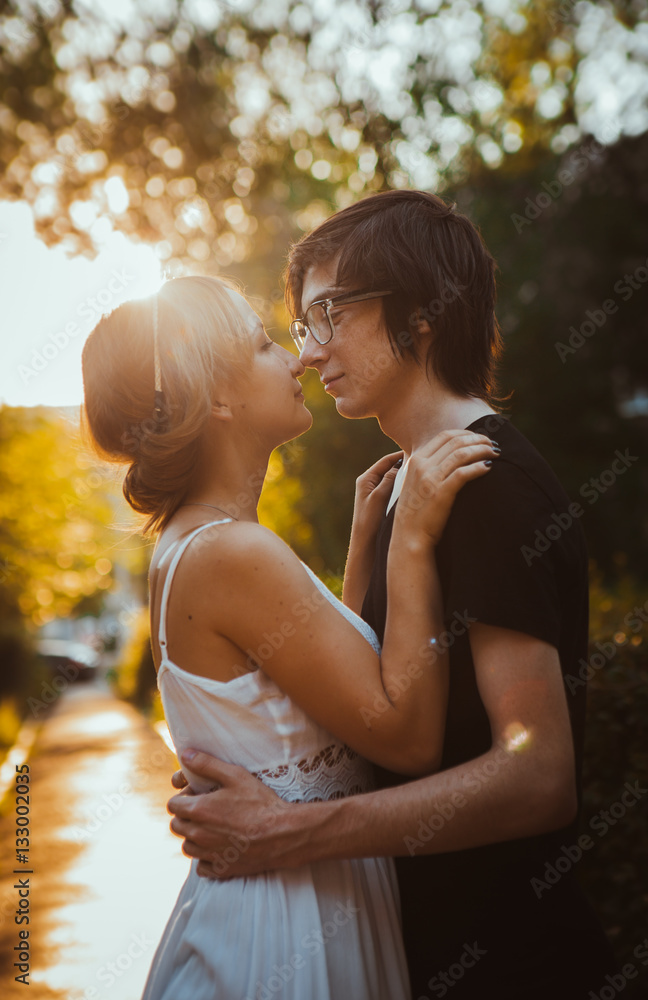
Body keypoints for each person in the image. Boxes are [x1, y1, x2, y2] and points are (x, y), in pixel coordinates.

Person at [167, 191, 618, 999]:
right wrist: (256, 768)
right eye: (301, 326)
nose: (308, 352)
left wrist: (286, 830)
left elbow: (537, 774)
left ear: (418, 314)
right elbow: (382, 715)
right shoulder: (407, 491)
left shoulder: (485, 487)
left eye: (328, 314)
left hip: (507, 966)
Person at [80, 272, 498, 1000]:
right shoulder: (233, 554)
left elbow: (300, 704)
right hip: (289, 929)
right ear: (213, 398)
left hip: (282, 903)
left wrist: (364, 549)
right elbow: (403, 737)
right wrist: (411, 545)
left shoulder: (201, 543)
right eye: (266, 343)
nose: (299, 359)